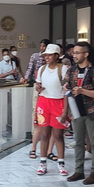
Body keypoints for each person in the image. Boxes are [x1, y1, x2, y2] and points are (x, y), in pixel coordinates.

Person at [64, 41, 94, 185]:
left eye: (77, 53)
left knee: (93, 141)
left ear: (86, 54)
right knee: (78, 142)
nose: (74, 55)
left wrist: (82, 90)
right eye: (73, 53)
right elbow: (66, 87)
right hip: (76, 110)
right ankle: (79, 170)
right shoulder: (71, 70)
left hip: (91, 110)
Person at [34, 44, 70, 177]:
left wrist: (65, 111)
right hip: (44, 102)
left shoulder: (63, 69)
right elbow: (38, 87)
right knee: (44, 135)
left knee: (58, 135)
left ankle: (61, 163)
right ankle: (42, 163)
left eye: (49, 55)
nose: (47, 57)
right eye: (45, 55)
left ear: (56, 56)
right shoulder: (42, 69)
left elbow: (67, 91)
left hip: (58, 102)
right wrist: (38, 89)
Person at [22, 39, 49, 158]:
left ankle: (45, 136)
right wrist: (26, 78)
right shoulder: (35, 56)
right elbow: (30, 68)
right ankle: (35, 134)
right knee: (36, 109)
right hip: (37, 84)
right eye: (41, 46)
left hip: (48, 86)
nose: (42, 48)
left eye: (44, 46)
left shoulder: (50, 58)